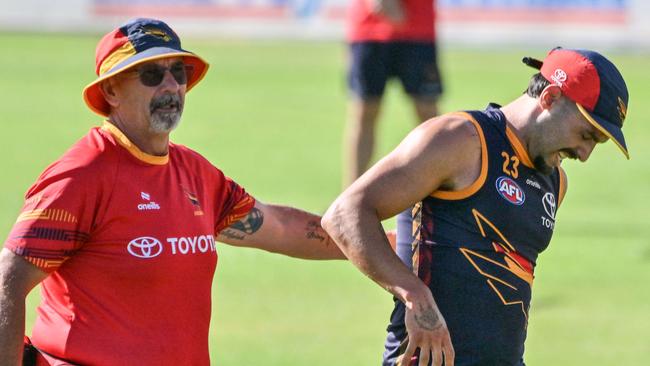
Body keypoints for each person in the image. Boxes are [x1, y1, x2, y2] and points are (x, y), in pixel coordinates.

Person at [0, 18, 345, 365]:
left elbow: (278, 226)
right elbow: (8, 281)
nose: (171, 86)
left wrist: (380, 244)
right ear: (111, 91)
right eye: (151, 74)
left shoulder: (195, 174)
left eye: (178, 72)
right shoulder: (81, 176)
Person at [323, 47, 629, 366]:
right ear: (550, 98)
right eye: (586, 135)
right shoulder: (461, 140)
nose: (585, 154)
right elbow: (346, 214)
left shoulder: (555, 182)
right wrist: (414, 295)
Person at [344, 0, 443, 187]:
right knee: (364, 112)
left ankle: (445, 194)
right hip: (369, 30)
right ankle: (349, 200)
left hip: (417, 28)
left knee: (429, 116)